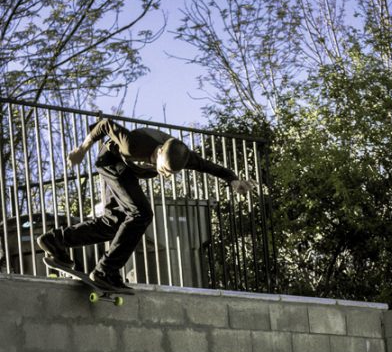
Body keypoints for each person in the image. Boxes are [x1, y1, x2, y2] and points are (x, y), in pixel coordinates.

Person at [37, 117, 256, 293]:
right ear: (159, 151)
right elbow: (104, 125)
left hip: (126, 172)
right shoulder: (134, 143)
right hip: (111, 161)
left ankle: (54, 241)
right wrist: (82, 149)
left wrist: (233, 179)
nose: (165, 175)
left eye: (171, 173)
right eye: (164, 169)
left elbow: (209, 167)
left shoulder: (183, 156)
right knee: (141, 214)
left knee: (114, 223)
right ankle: (105, 271)